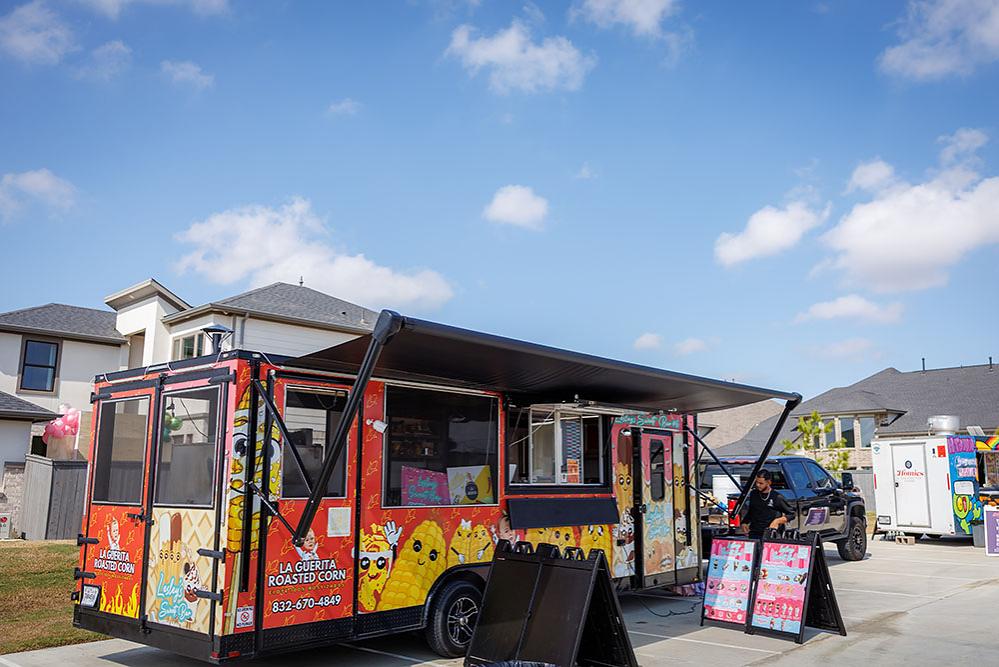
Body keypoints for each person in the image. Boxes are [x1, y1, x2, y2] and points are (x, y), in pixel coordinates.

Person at [739, 470, 795, 539]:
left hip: (771, 534)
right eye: (756, 482)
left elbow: (791, 514)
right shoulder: (753, 494)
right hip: (755, 533)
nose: (757, 485)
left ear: (769, 482)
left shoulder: (777, 497)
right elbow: (751, 511)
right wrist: (744, 522)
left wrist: (777, 521)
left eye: (761, 483)